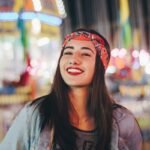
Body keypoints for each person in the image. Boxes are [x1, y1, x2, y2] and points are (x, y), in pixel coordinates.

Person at [0, 28, 142, 150]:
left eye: (85, 53)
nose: (73, 59)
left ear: (99, 67)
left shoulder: (123, 121)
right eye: (68, 52)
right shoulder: (35, 114)